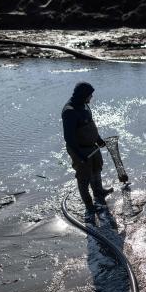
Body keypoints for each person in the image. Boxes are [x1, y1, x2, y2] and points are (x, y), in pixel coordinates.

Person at [62, 82, 113, 223]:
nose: (92, 97)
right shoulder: (69, 111)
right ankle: (89, 206)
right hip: (80, 149)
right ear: (83, 95)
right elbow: (69, 137)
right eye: (90, 94)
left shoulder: (84, 105)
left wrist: (98, 139)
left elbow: (90, 125)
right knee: (84, 177)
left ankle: (99, 191)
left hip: (92, 146)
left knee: (97, 168)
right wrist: (79, 155)